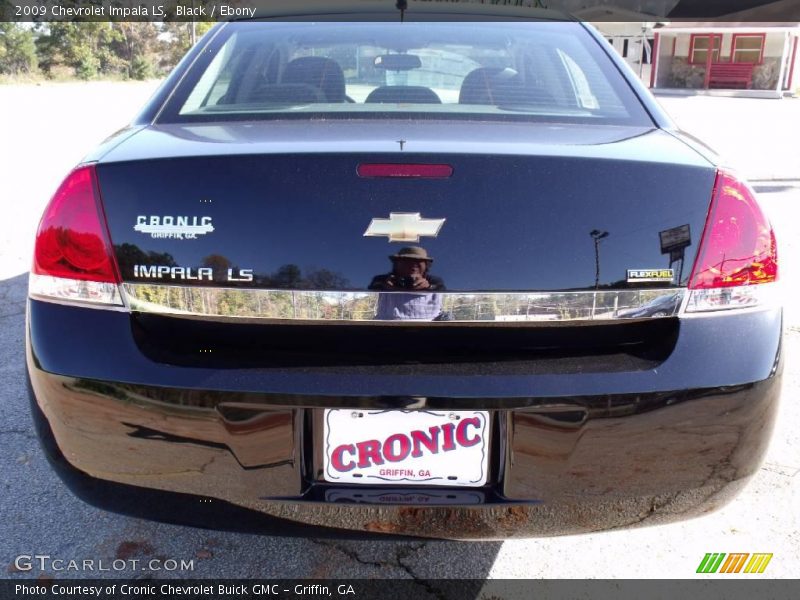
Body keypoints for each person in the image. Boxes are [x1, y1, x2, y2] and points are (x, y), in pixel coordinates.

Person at [369, 246, 446, 320]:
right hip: (384, 327)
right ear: (396, 264)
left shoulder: (434, 281)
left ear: (426, 265)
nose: (412, 264)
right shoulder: (382, 280)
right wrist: (386, 287)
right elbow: (370, 292)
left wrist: (429, 287)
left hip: (430, 328)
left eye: (418, 261)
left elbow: (442, 290)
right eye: (406, 260)